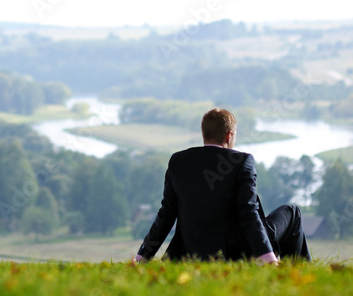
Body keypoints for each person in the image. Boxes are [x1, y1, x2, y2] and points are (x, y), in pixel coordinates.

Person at [132, 108, 311, 263]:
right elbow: (248, 213)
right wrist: (267, 257)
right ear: (229, 135)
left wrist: (141, 258)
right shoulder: (241, 161)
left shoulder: (178, 161)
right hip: (237, 251)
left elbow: (166, 215)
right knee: (292, 212)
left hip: (188, 252)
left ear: (204, 133)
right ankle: (297, 272)